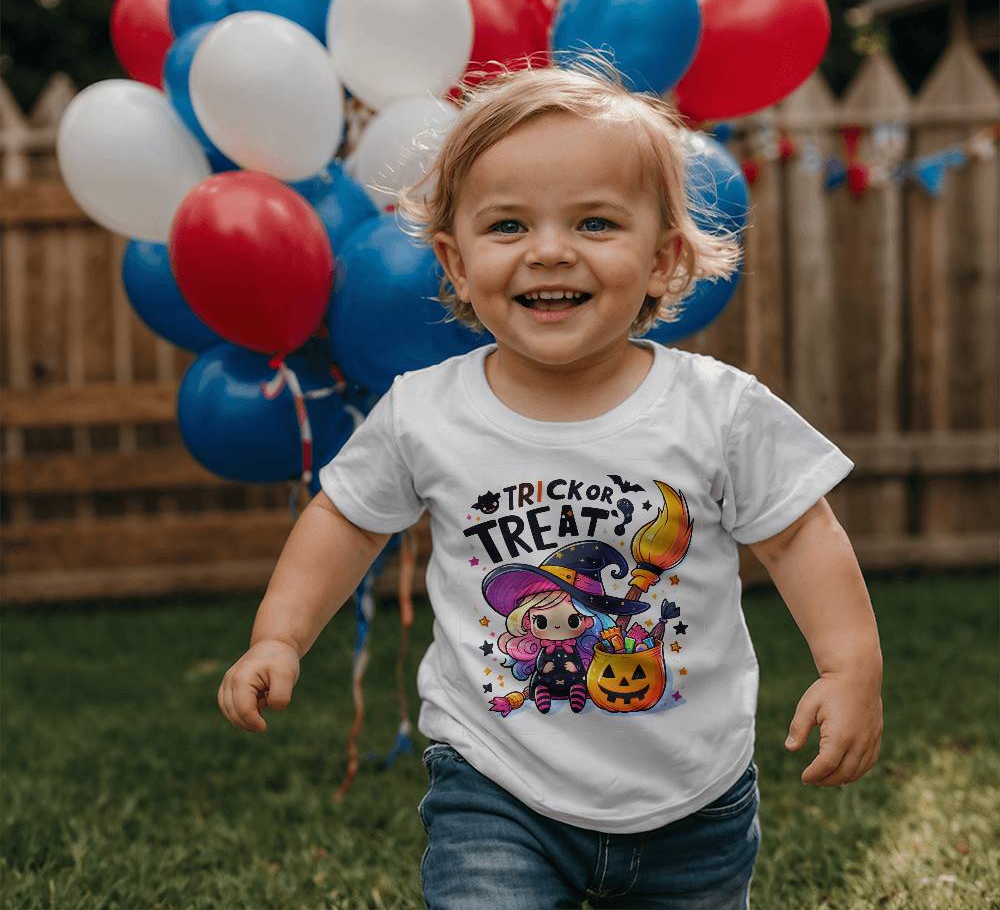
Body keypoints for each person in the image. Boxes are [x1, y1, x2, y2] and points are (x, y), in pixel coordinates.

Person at [218, 55, 884, 909]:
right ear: (455, 265)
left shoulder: (717, 409)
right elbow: (344, 520)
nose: (549, 251)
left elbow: (802, 535)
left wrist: (849, 664)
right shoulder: (425, 412)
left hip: (696, 795)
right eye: (507, 228)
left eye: (597, 223)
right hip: (495, 783)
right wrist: (280, 634)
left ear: (664, 259)